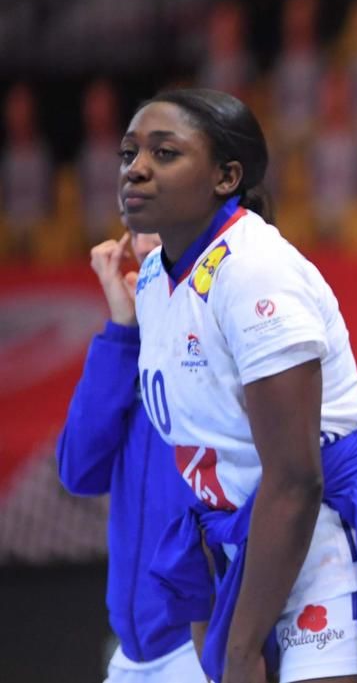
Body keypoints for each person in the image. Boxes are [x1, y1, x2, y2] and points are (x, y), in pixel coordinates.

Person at [120, 87, 357, 683]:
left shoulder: (255, 271)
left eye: (164, 153)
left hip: (330, 530)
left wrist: (239, 652)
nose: (136, 168)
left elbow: (295, 479)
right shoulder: (156, 277)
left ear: (225, 176)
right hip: (254, 539)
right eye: (128, 152)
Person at [57, 228, 206, 683]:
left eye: (155, 231)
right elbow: (78, 469)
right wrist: (122, 332)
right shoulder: (134, 347)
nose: (141, 247)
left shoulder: (212, 331)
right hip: (130, 651)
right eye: (135, 230)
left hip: (197, 641)